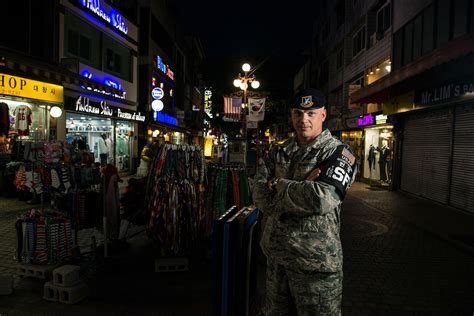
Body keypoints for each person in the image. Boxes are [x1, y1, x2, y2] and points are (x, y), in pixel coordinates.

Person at [252, 88, 357, 315]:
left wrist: (279, 184)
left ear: (323, 115)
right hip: (277, 260)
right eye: (298, 113)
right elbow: (259, 195)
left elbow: (321, 200)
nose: (304, 120)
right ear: (291, 115)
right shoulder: (279, 151)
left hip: (315, 267)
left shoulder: (338, 153)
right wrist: (300, 185)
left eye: (311, 113)